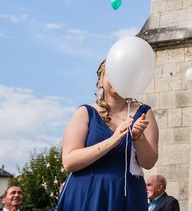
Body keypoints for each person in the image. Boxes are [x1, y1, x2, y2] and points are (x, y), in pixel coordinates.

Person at [56, 61, 159, 211]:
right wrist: (112, 140)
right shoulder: (85, 113)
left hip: (127, 193)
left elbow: (149, 162)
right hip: (88, 192)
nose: (118, 77)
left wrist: (138, 138)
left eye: (123, 73)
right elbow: (69, 162)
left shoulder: (144, 113)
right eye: (113, 73)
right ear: (100, 80)